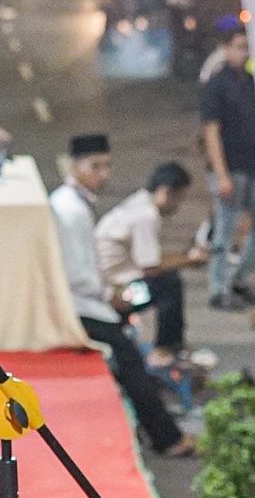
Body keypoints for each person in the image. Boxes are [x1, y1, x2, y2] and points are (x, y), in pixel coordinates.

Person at [50, 135, 191, 457]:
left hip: (95, 296)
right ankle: (167, 438)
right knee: (131, 361)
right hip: (85, 304)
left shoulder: (75, 203)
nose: (104, 174)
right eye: (95, 166)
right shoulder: (73, 211)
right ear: (74, 167)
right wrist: (111, 296)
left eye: (107, 166)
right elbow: (79, 274)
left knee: (131, 357)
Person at [95, 160, 204, 369]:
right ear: (167, 192)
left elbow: (150, 257)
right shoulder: (146, 216)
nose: (178, 205)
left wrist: (184, 259)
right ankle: (165, 349)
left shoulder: (138, 202)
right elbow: (152, 266)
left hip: (111, 281)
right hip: (119, 292)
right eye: (178, 198)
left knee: (165, 278)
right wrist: (190, 260)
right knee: (168, 285)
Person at [200, 28, 255, 307]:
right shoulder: (216, 85)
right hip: (230, 167)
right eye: (239, 47)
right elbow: (211, 132)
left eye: (246, 47)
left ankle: (239, 279)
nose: (244, 53)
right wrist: (221, 174)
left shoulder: (252, 82)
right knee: (225, 231)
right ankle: (218, 289)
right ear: (226, 48)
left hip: (253, 165)